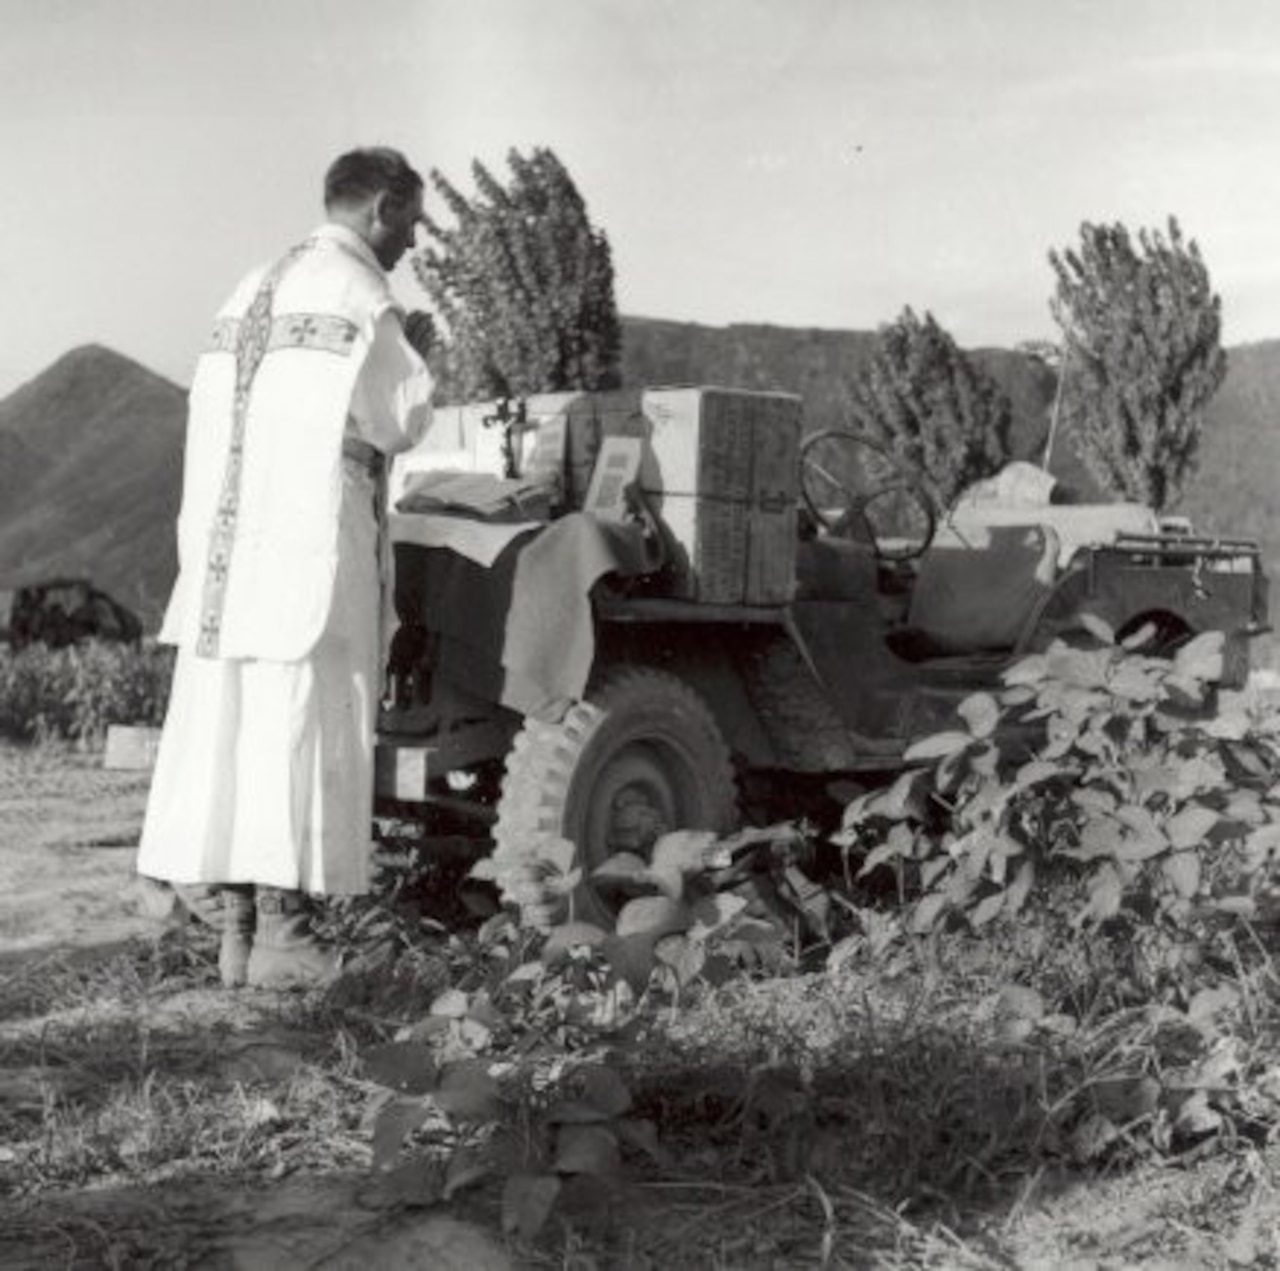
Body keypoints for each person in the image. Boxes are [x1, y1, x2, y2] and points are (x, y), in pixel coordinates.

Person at [137, 147, 436, 989]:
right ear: (379, 207)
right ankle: (286, 937)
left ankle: (237, 935)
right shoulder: (359, 293)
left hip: (232, 555)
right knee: (301, 732)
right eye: (410, 223)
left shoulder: (252, 285)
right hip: (310, 543)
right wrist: (417, 348)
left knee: (237, 735)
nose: (412, 242)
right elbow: (401, 417)